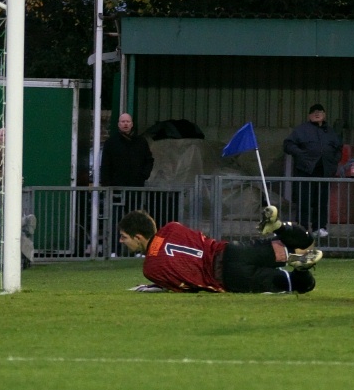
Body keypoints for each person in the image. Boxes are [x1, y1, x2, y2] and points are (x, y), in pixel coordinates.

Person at [118, 206, 323, 294]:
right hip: (231, 251)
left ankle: (302, 270)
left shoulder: (150, 268)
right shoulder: (172, 227)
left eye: (124, 237)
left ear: (138, 237)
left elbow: (184, 287)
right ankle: (279, 227)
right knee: (304, 242)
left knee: (301, 285)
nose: (121, 241)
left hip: (228, 278)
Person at [283, 103, 343, 237]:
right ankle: (302, 228)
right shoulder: (301, 130)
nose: (317, 114)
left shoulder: (331, 131)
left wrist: (334, 161)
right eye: (314, 112)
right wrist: (301, 154)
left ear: (324, 115)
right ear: (309, 116)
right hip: (305, 170)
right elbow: (288, 145)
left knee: (321, 201)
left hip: (324, 171)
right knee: (303, 200)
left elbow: (339, 148)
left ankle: (319, 227)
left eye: (320, 111)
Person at [101, 113, 155, 257]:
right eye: (122, 121)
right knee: (116, 221)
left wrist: (143, 176)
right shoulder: (111, 143)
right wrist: (107, 185)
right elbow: (105, 165)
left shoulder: (141, 142)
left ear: (132, 124)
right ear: (118, 124)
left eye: (127, 121)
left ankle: (137, 251)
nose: (125, 124)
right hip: (116, 189)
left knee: (135, 221)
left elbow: (149, 160)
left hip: (135, 188)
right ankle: (114, 251)